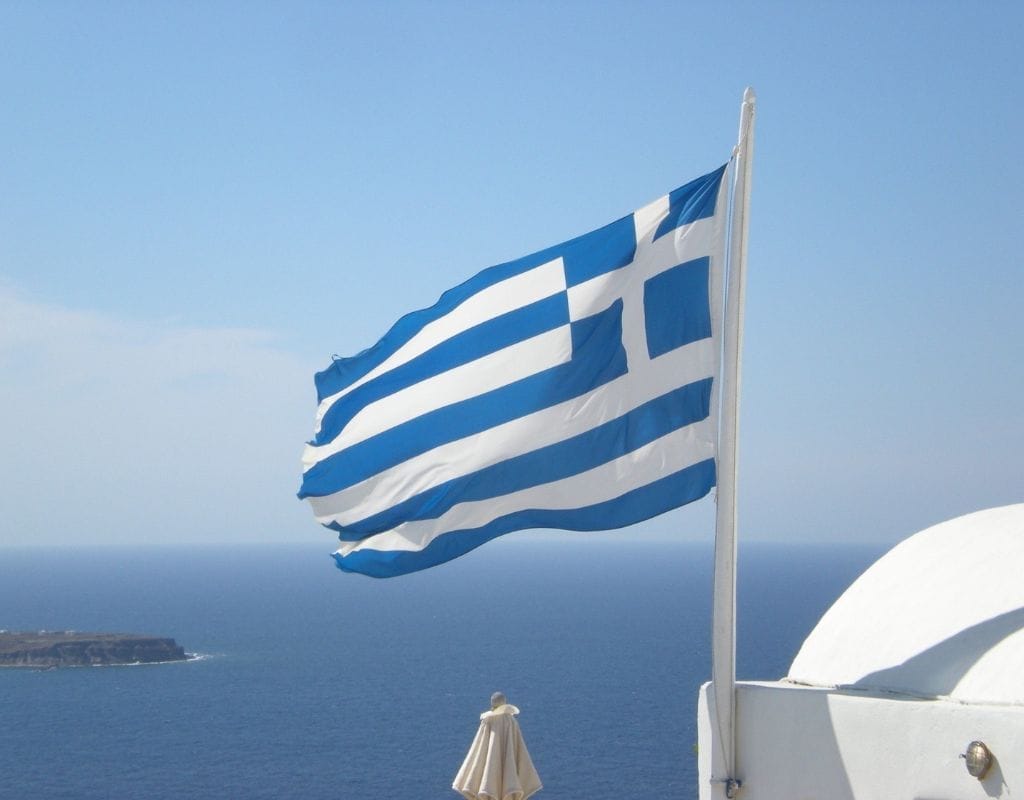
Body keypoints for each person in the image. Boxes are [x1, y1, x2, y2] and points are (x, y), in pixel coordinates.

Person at [453, 692, 542, 800]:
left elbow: (480, 747)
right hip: (507, 762)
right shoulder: (511, 722)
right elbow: (517, 748)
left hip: (491, 764)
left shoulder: (487, 721)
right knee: (509, 771)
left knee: (489, 771)